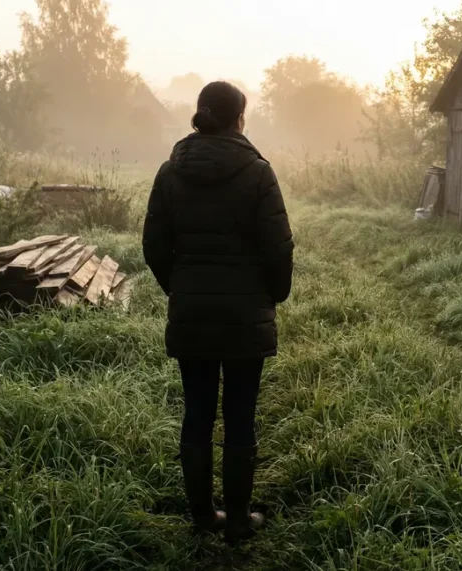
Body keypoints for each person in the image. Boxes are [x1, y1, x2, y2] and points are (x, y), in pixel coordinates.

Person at [142, 81, 294, 544]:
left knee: (198, 412)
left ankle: (204, 517)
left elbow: (153, 247)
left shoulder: (170, 172)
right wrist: (272, 295)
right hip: (246, 319)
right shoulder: (258, 173)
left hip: (192, 315)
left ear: (200, 114)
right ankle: (240, 522)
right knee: (241, 414)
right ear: (239, 119)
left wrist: (182, 290)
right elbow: (278, 248)